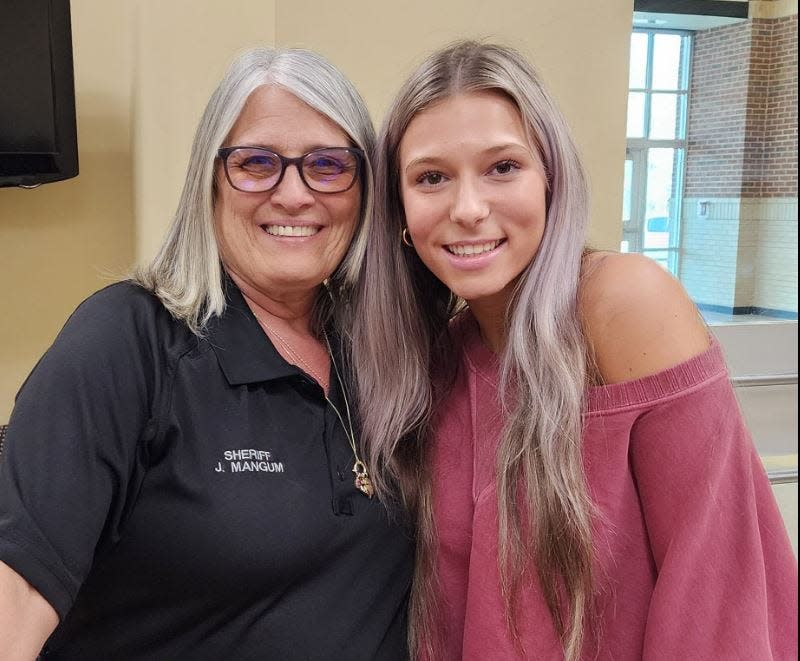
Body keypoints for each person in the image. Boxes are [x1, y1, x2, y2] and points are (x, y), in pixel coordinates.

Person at [351, 41, 798, 660]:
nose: (469, 209)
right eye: (431, 178)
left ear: (551, 179)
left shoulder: (623, 305)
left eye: (502, 167)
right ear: (399, 212)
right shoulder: (439, 363)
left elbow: (718, 590)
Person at [0, 47, 412, 661]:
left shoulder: (389, 350)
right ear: (210, 182)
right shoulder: (128, 338)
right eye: (257, 163)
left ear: (365, 192)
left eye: (328, 165)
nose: (295, 194)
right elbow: (17, 591)